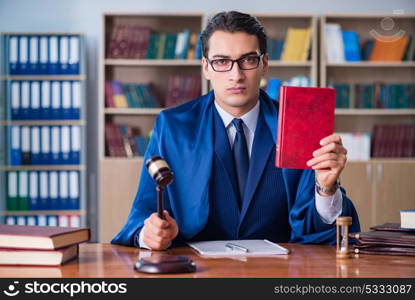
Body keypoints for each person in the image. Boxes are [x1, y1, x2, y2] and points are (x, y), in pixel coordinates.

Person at [111, 11, 360, 250]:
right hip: (196, 272)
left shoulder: (300, 123)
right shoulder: (173, 126)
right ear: (206, 67)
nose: (236, 75)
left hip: (281, 273)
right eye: (221, 61)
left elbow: (322, 232)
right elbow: (143, 211)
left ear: (264, 64)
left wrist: (327, 190)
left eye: (248, 60)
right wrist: (150, 234)